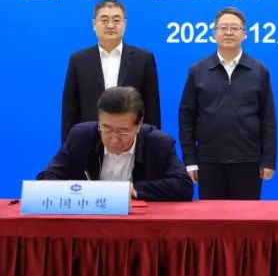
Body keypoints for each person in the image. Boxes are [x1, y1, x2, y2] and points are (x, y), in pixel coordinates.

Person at [178, 7, 277, 200]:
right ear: (214, 33)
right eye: (223, 28)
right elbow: (186, 118)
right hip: (208, 161)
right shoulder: (198, 71)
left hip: (248, 161)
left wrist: (268, 160)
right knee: (211, 217)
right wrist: (190, 160)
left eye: (235, 28)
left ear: (244, 34)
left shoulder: (259, 71)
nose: (229, 32)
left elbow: (268, 119)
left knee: (247, 216)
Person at [39, 86, 193, 202]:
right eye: (106, 129)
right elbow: (46, 178)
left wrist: (130, 190)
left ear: (139, 124)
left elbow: (183, 186)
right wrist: (83, 191)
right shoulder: (81, 137)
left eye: (123, 132)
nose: (113, 139)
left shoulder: (158, 143)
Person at [60, 0, 161, 143]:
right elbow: (70, 111)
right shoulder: (78, 60)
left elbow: (152, 110)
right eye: (104, 20)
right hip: (89, 142)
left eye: (116, 20)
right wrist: (68, 148)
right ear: (94, 24)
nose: (110, 25)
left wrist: (152, 146)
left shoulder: (143, 59)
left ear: (124, 24)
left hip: (131, 142)